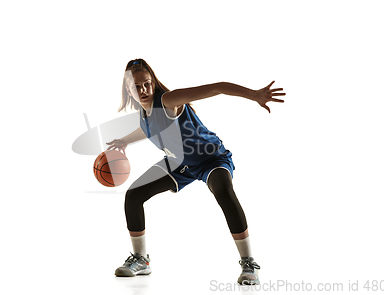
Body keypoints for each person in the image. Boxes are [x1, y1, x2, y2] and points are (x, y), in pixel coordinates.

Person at [106, 58, 285, 285]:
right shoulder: (144, 114)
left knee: (223, 190)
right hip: (180, 163)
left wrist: (254, 95)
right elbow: (145, 129)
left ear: (153, 82)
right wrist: (124, 141)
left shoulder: (168, 100)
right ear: (128, 90)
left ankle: (249, 262)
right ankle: (141, 260)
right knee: (134, 195)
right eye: (136, 87)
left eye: (147, 84)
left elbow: (217, 87)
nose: (143, 90)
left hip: (211, 158)